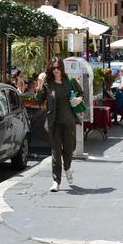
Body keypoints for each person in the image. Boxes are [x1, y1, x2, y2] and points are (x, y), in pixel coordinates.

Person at [35, 57, 83, 192]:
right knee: (56, 153)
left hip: (69, 122)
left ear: (62, 68)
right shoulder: (48, 84)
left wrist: (79, 99)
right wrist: (40, 84)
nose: (56, 70)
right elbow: (39, 100)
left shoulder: (70, 82)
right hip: (54, 123)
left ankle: (67, 167)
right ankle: (56, 181)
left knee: (69, 149)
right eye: (53, 68)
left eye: (58, 68)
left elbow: (81, 93)